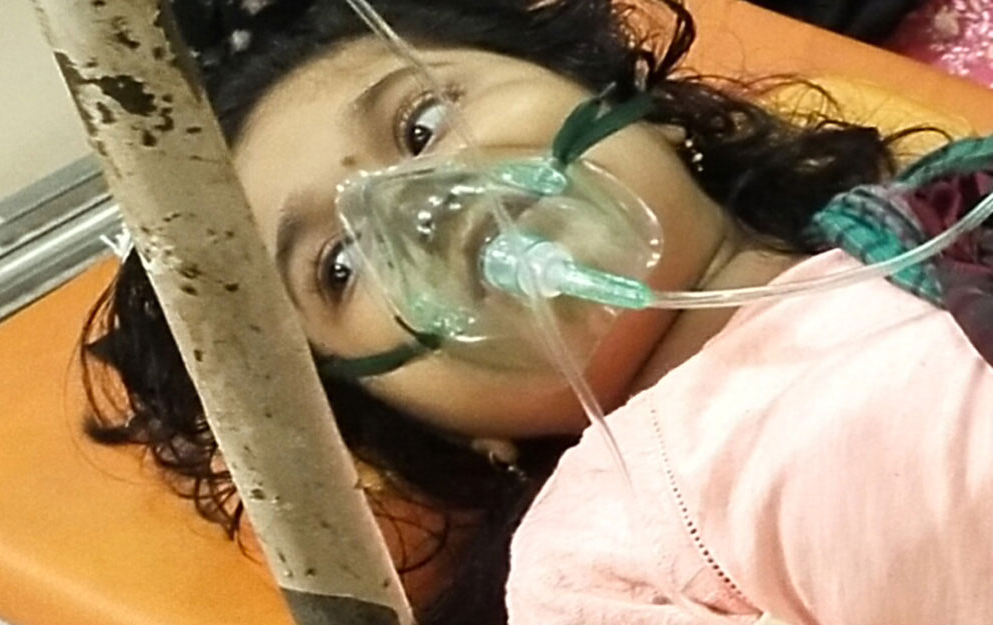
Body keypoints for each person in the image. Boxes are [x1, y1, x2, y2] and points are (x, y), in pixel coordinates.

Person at [81, 0, 993, 623]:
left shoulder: (943, 210)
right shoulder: (598, 550)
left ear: (640, 111)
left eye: (420, 125)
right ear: (431, 424)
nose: (422, 207)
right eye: (341, 264)